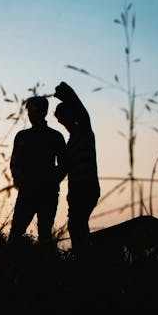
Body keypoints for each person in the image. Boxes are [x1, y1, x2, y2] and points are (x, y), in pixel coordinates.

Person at [8, 96, 66, 245]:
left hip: (44, 191)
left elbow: (64, 165)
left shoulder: (54, 137)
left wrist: (51, 181)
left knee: (43, 234)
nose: (29, 114)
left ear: (43, 112)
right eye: (29, 110)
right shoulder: (25, 136)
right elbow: (14, 164)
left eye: (32, 110)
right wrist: (21, 181)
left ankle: (42, 265)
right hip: (31, 191)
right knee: (18, 233)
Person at [53, 81, 100, 257]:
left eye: (63, 115)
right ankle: (83, 258)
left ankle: (85, 260)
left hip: (87, 187)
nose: (61, 120)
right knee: (76, 226)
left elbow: (82, 112)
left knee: (77, 225)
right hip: (76, 191)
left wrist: (65, 93)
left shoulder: (85, 131)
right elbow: (63, 170)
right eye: (59, 117)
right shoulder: (71, 142)